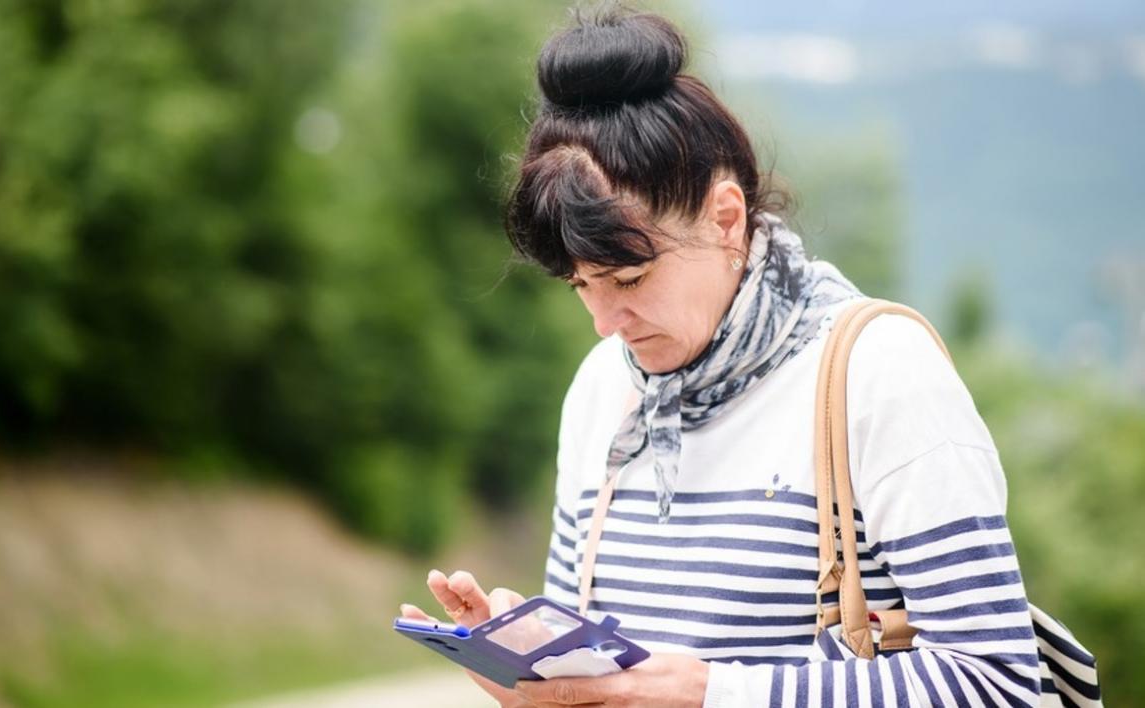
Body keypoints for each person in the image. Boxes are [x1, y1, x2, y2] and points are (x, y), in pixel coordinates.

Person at [400, 7, 1048, 707]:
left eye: (629, 279)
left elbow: (999, 682)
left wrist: (709, 692)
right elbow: (609, 689)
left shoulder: (878, 372)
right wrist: (531, 668)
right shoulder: (600, 389)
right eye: (580, 285)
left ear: (726, 219)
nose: (603, 322)